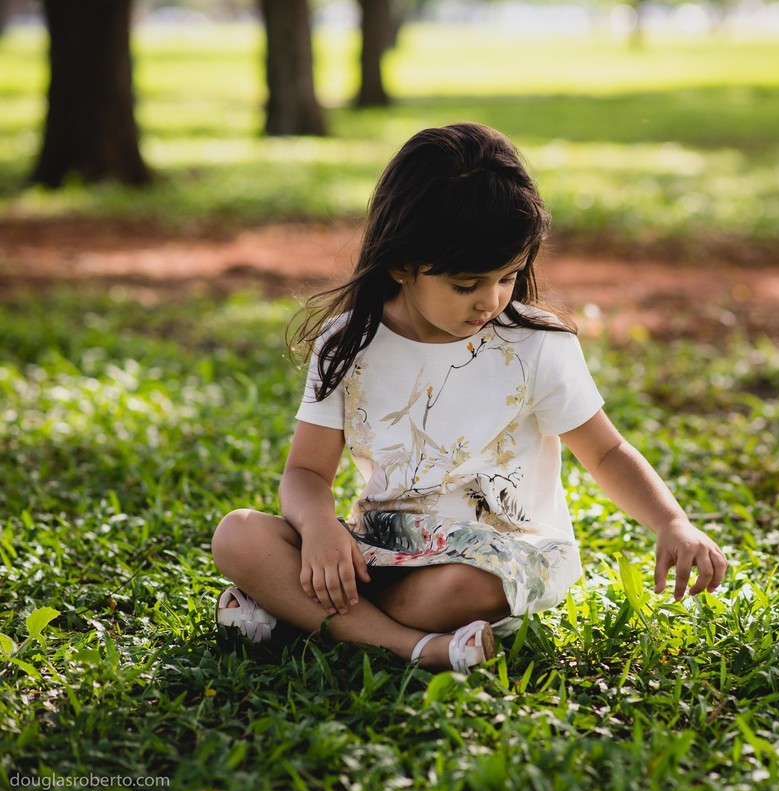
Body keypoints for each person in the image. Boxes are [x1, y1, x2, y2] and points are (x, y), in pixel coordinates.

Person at [211, 122, 727, 673]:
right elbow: (306, 473)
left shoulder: (535, 345)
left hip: (495, 558)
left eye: (509, 277)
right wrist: (319, 530)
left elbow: (606, 451)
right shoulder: (349, 343)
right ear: (401, 264)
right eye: (467, 285)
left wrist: (672, 522)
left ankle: (304, 613)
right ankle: (411, 644)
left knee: (465, 590)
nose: (491, 300)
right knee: (237, 535)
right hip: (382, 548)